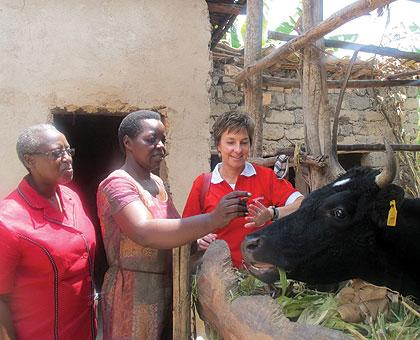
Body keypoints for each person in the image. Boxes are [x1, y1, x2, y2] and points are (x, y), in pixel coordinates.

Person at [96, 110, 248, 339]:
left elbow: (176, 228)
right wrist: (212, 219)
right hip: (131, 294)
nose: (161, 147)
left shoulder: (157, 183)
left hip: (167, 291)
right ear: (128, 142)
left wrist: (196, 241)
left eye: (163, 140)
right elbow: (144, 231)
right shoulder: (117, 184)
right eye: (151, 139)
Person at [0, 124, 96, 340]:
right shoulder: (8, 221)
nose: (67, 158)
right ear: (29, 160)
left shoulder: (71, 198)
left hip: (84, 329)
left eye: (68, 150)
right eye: (56, 153)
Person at [183, 111, 304, 268]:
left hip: (260, 277)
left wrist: (272, 214)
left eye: (244, 142)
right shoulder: (203, 184)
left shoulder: (265, 177)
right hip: (216, 279)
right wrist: (198, 241)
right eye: (231, 142)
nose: (238, 150)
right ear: (218, 146)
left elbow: (302, 204)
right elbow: (185, 231)